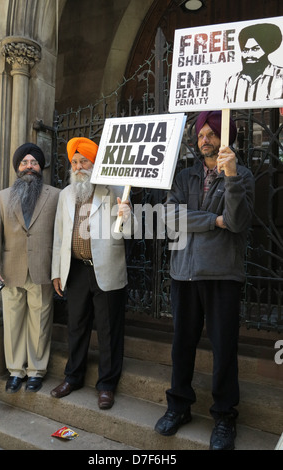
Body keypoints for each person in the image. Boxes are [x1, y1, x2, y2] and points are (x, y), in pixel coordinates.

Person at [154, 111, 255, 450]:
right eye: (201, 135)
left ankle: (224, 417)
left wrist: (230, 179)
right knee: (182, 344)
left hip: (222, 273)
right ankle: (178, 406)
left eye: (212, 133)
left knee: (224, 348)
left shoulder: (242, 175)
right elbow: (170, 216)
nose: (206, 139)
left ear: (227, 139)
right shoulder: (185, 177)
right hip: (183, 272)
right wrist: (214, 220)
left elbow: (238, 222)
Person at [50, 137, 133, 410]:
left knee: (109, 329)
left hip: (105, 268)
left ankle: (107, 385)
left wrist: (127, 213)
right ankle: (72, 377)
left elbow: (130, 233)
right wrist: (56, 272)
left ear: (95, 163)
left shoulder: (114, 190)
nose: (78, 166)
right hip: (75, 271)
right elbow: (59, 237)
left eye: (83, 160)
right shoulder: (66, 195)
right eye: (74, 162)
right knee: (76, 326)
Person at [0, 143, 60, 393]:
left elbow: (60, 237)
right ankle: (15, 371)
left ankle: (36, 371)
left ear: (41, 167)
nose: (29, 166)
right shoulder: (1, 197)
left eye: (34, 162)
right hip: (10, 269)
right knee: (13, 321)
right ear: (18, 168)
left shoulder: (56, 195)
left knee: (40, 321)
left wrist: (59, 270)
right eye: (24, 163)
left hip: (42, 269)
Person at [224, 23, 283, 102]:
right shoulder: (232, 81)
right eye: (245, 50)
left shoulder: (280, 75)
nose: (249, 55)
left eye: (255, 49)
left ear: (266, 50)